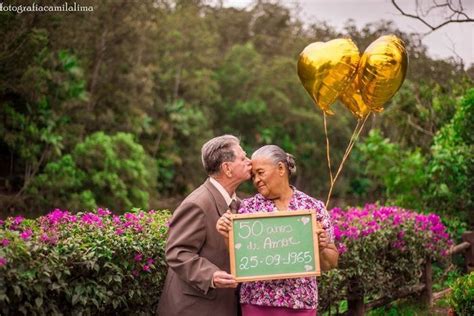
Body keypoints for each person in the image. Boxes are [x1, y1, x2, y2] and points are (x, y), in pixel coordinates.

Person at [216, 145, 339, 316]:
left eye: (260, 172)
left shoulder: (312, 207)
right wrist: (226, 234)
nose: (256, 180)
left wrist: (322, 246)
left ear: (281, 168)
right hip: (257, 303)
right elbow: (239, 260)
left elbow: (331, 263)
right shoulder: (248, 208)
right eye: (253, 176)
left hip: (301, 303)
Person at [158, 135, 252, 316]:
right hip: (193, 308)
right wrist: (211, 275)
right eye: (243, 158)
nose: (249, 162)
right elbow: (177, 252)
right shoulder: (198, 204)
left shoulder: (239, 204)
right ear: (227, 168)